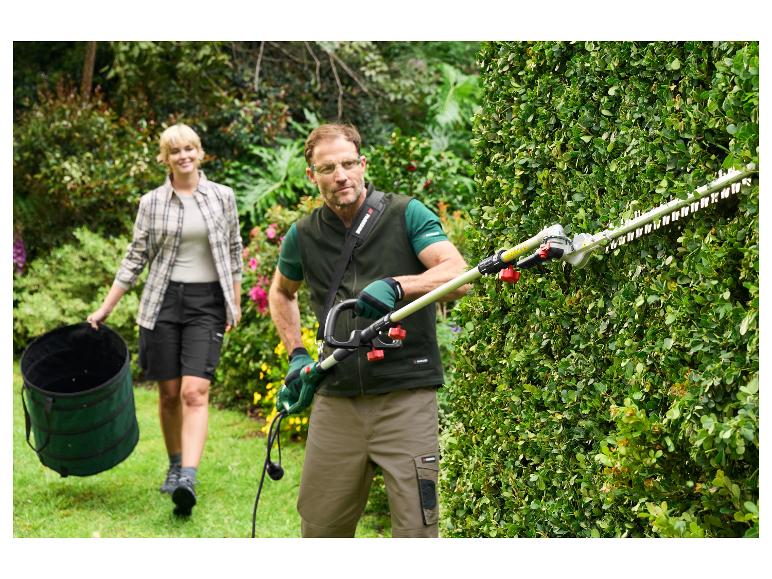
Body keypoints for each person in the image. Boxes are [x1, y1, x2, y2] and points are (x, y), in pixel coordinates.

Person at [268, 123, 469, 537]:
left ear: (362, 164)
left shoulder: (405, 213)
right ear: (312, 176)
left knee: (417, 531)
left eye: (347, 164)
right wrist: (297, 354)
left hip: (405, 396)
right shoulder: (303, 235)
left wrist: (399, 285)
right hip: (336, 398)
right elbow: (280, 293)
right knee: (320, 530)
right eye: (327, 168)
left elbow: (458, 275)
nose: (339, 175)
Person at [87, 123, 243, 516]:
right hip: (162, 303)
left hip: (208, 303)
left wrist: (234, 302)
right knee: (170, 393)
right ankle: (174, 465)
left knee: (195, 391)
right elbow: (135, 258)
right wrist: (107, 307)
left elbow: (234, 250)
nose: (184, 156)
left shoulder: (222, 197)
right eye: (175, 151)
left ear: (200, 152)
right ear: (165, 158)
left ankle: (188, 477)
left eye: (190, 148)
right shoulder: (151, 202)